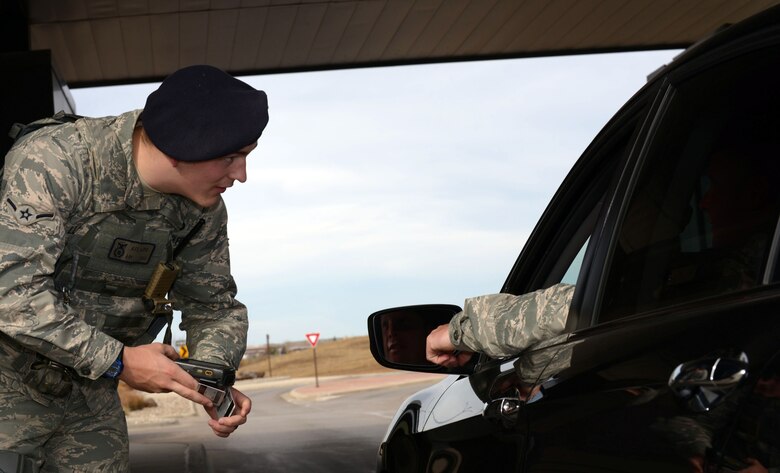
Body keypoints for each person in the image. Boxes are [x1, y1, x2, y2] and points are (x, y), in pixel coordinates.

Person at [0, 65, 268, 471]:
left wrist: (209, 379)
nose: (241, 175)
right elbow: (13, 294)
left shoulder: (202, 212)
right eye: (231, 157)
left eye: (246, 157)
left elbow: (212, 307)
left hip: (90, 395)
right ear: (184, 146)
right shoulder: (59, 161)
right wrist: (120, 361)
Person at [426, 283, 575, 367]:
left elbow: (564, 309)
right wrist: (531, 374)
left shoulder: (586, 305)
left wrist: (459, 333)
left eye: (406, 325)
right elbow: (579, 334)